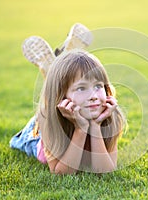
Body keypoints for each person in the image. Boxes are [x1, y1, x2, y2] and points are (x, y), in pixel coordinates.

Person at [10, 23, 126, 174]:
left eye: (98, 86)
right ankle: (55, 75)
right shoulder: (49, 118)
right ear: (62, 97)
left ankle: (58, 69)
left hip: (61, 104)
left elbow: (104, 171)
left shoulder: (110, 116)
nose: (93, 97)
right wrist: (81, 128)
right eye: (81, 88)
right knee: (18, 142)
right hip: (35, 135)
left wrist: (96, 126)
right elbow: (61, 174)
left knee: (65, 78)